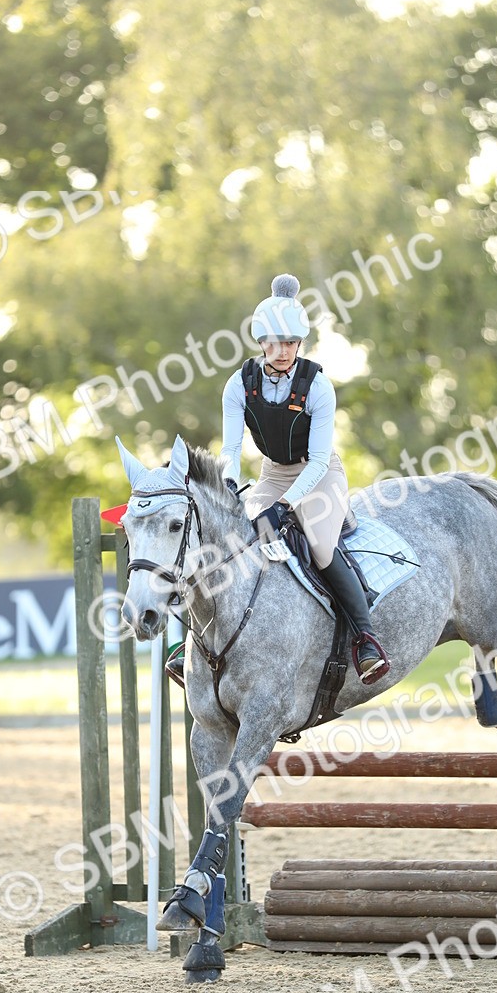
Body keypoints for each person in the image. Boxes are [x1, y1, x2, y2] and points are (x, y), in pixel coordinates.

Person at [166, 273, 389, 687]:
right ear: (261, 342)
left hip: (318, 475)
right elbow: (230, 451)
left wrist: (285, 506)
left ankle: (366, 637)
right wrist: (229, 486)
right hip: (271, 473)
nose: (283, 350)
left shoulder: (318, 386)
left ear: (300, 344)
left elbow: (320, 459)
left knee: (320, 546)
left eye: (290, 343)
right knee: (231, 540)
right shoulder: (239, 384)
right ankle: (196, 643)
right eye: (275, 341)